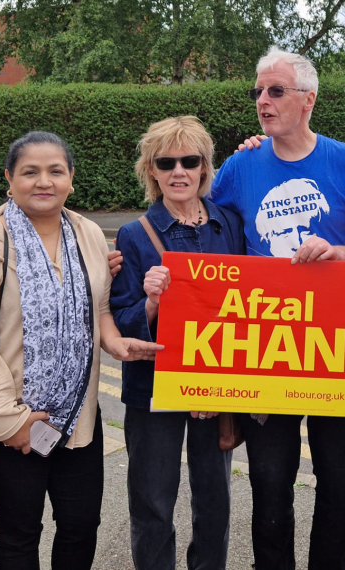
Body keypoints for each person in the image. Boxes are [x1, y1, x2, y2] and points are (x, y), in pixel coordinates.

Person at [0, 131, 161, 570]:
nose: (44, 181)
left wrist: (115, 342)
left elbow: (97, 306)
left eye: (55, 171)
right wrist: (11, 420)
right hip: (15, 423)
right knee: (20, 534)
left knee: (81, 527)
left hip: (79, 420)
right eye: (30, 172)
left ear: (71, 179)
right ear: (9, 178)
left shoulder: (88, 233)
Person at [211, 48, 345, 570]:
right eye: (258, 91)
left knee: (339, 481)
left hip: (337, 344)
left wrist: (339, 253)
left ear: (309, 100)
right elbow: (200, 226)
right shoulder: (240, 165)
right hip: (269, 346)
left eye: (275, 91)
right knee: (269, 482)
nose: (262, 100)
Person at [110, 116, 245, 570]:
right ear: (151, 170)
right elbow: (122, 325)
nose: (179, 171)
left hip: (214, 380)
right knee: (152, 500)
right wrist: (150, 301)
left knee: (215, 500)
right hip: (153, 387)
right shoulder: (132, 235)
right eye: (166, 162)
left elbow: (252, 302)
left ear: (205, 167)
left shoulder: (230, 225)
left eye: (190, 160)